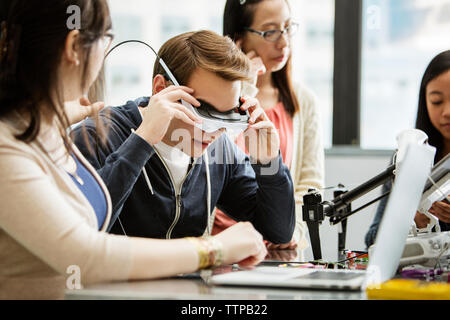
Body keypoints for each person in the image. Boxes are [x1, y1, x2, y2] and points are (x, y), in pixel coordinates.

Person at [0, 0, 267, 300]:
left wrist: (51, 121)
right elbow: (84, 255)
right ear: (75, 46)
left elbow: (85, 217)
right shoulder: (8, 148)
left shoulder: (39, 131)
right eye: (106, 38)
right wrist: (215, 249)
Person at [72, 30, 295, 245]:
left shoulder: (220, 149)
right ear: (161, 89)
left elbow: (278, 231)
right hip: (113, 282)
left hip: (190, 281)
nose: (214, 132)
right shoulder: (97, 136)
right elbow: (82, 230)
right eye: (204, 113)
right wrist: (143, 141)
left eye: (226, 117)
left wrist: (269, 162)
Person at [214, 0, 325, 254]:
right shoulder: (217, 97)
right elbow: (217, 154)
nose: (283, 42)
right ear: (238, 38)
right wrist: (244, 85)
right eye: (270, 31)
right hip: (220, 245)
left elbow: (310, 182)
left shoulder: (303, 101)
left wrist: (291, 231)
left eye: (287, 28)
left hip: (279, 247)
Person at [365, 50, 450, 248]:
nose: (447, 112)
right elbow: (372, 238)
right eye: (437, 102)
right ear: (424, 102)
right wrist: (409, 221)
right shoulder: (407, 158)